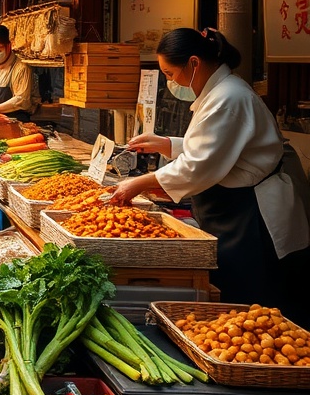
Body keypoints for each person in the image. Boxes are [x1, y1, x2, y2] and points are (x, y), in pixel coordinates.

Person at [109, 28, 310, 321]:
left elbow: (199, 164)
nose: (170, 81)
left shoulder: (229, 96)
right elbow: (215, 149)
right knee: (235, 294)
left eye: (170, 72)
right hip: (231, 206)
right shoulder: (218, 91)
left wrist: (139, 183)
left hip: (252, 213)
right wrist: (168, 144)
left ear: (193, 63)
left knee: (255, 302)